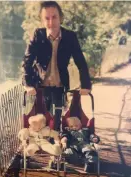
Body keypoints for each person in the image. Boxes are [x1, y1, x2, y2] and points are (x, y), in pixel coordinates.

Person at [22, 1, 92, 131]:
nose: (50, 22)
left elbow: (80, 62)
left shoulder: (70, 37)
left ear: (60, 17)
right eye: (46, 18)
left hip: (60, 84)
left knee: (58, 119)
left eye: (54, 17)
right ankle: (43, 146)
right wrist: (27, 84)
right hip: (40, 85)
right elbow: (27, 61)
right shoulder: (38, 35)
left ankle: (57, 145)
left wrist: (86, 85)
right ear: (42, 20)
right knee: (41, 120)